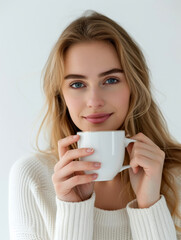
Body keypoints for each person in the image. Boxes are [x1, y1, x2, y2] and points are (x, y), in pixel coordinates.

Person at [9, 10, 181, 240]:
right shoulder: (33, 177)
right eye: (78, 84)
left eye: (111, 80)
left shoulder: (175, 175)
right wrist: (72, 208)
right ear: (61, 96)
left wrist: (150, 205)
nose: (94, 101)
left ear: (134, 87)